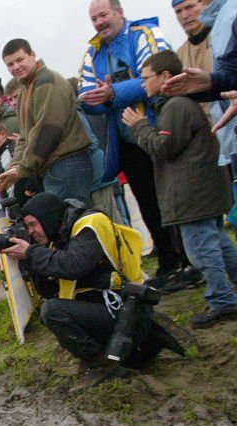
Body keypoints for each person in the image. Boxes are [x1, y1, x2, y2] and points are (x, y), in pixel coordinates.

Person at [0, 192, 183, 386]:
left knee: (53, 312)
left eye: (33, 224)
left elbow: (73, 265)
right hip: (116, 310)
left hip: (128, 312)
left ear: (48, 217)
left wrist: (31, 252)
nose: (31, 232)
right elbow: (48, 291)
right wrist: (27, 260)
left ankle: (103, 365)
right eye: (28, 227)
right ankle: (129, 348)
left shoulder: (91, 224)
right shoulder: (61, 235)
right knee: (52, 308)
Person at [78, 2, 194, 291]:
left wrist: (112, 93)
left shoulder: (143, 34)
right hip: (126, 142)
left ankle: (191, 262)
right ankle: (169, 261)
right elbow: (85, 94)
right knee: (148, 203)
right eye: (94, 18)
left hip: (158, 131)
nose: (99, 23)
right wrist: (104, 98)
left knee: (173, 199)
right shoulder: (93, 52)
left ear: (119, 12)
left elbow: (159, 77)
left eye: (103, 15)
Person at [122, 50, 237, 327]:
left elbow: (164, 148)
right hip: (202, 189)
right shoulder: (179, 104)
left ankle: (222, 300)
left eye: (146, 77)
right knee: (217, 241)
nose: (143, 84)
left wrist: (139, 128)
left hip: (192, 192)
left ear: (164, 77)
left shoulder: (174, 106)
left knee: (201, 249)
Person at [0, 38, 94, 206]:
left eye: (20, 60)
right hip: (52, 167)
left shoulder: (46, 82)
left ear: (32, 55)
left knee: (73, 222)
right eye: (10, 64)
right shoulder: (27, 89)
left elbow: (49, 131)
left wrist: (23, 168)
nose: (16, 67)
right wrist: (16, 165)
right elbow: (24, 137)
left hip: (67, 163)